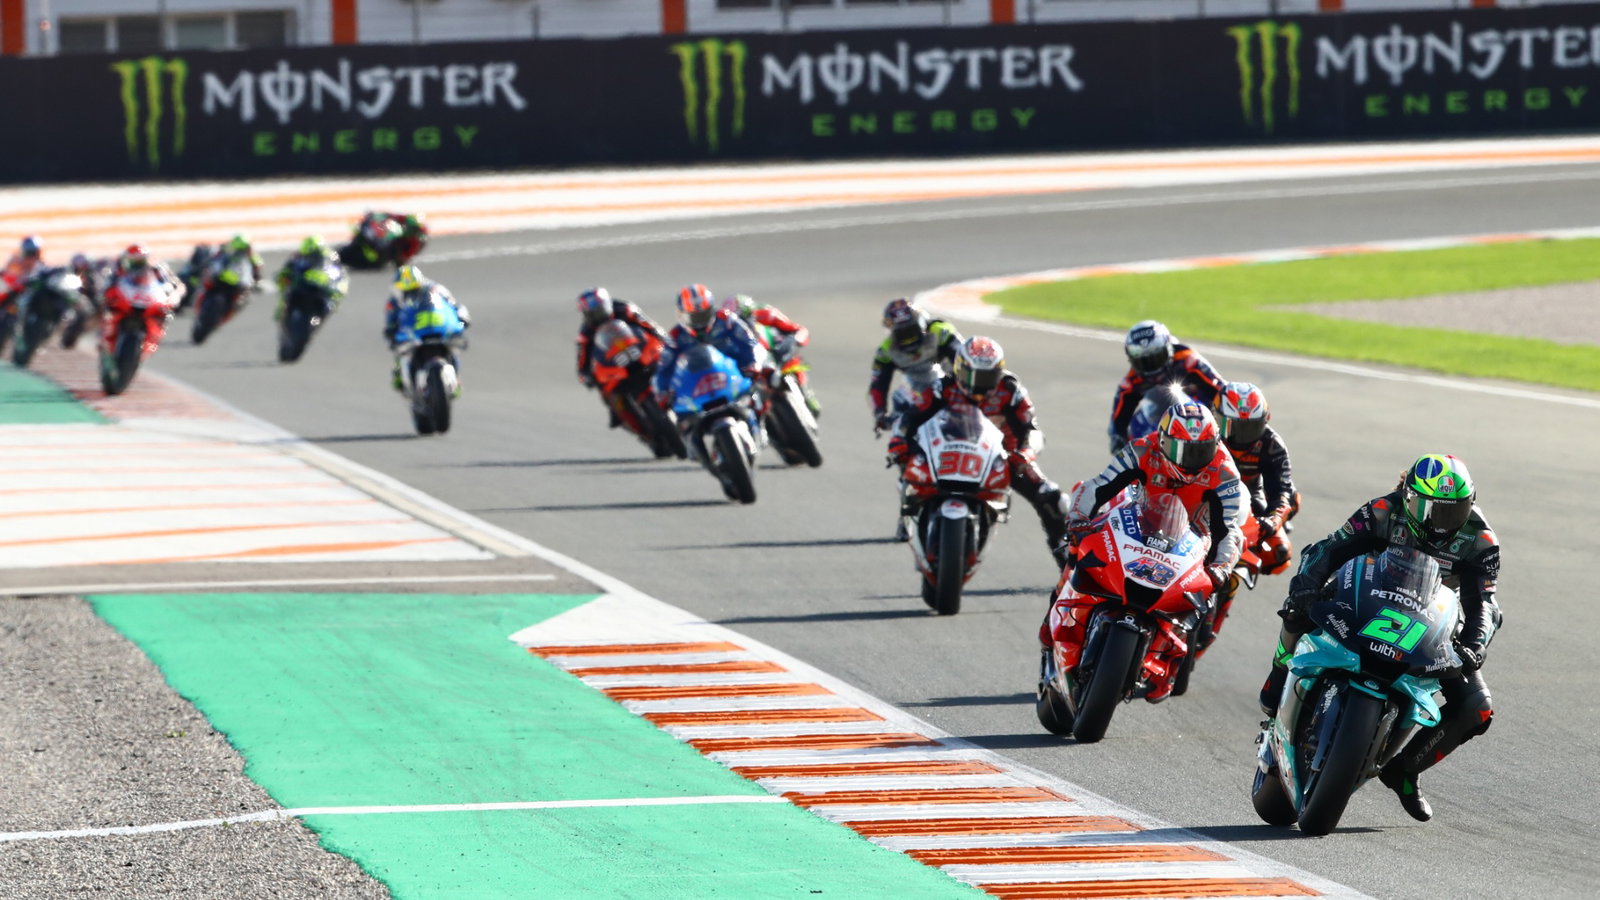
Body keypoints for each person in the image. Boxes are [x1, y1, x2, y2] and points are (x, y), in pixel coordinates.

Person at [1258, 454, 1499, 822]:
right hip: (1364, 597)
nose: (1446, 522)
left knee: (1477, 707)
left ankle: (1404, 770)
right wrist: (1305, 588)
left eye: (1457, 510)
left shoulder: (1479, 539)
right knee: (1297, 610)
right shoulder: (1384, 511)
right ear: (1412, 498)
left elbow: (1483, 603)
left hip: (1426, 621)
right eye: (1436, 510)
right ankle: (1278, 677)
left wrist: (1474, 645)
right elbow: (1329, 548)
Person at [1064, 401, 1247, 697]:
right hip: (1138, 520)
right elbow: (1099, 487)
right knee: (1080, 546)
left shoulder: (1225, 473)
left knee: (1205, 594)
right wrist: (1078, 518)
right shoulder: (1141, 450)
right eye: (1182, 450)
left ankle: (1171, 660)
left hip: (1191, 538)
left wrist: (1221, 567)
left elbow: (1228, 530)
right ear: (1162, 440)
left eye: (1201, 450)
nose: (1191, 460)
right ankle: (1063, 610)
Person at [890, 336, 1070, 566]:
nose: (978, 384)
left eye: (986, 376)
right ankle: (911, 519)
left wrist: (1026, 452)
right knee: (912, 475)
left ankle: (1067, 559)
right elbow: (911, 418)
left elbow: (1031, 428)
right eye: (971, 375)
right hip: (950, 453)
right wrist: (898, 442)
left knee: (1053, 499)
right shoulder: (942, 387)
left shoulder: (1010, 390)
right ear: (959, 369)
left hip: (1002, 458)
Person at [1210, 382, 1299, 636]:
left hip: (1248, 498)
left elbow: (1282, 492)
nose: (1242, 436)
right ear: (1217, 419)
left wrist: (1274, 518)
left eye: (1251, 427)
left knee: (1280, 554)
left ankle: (1232, 582)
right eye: (1235, 427)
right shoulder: (1207, 436)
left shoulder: (1272, 444)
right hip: (1204, 492)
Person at [1108, 320, 1227, 453]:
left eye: (1156, 357)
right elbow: (1117, 420)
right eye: (1142, 362)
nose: (1150, 367)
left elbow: (1222, 390)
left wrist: (1222, 420)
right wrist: (1118, 438)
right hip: (1162, 417)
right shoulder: (1132, 380)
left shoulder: (1188, 359)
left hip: (1200, 412)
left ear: (1168, 348)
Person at [868, 298, 963, 434]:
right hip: (915, 391)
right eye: (901, 333)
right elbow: (877, 384)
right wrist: (880, 413)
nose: (908, 338)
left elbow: (963, 357)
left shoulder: (940, 330)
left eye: (911, 329)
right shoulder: (886, 350)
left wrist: (965, 386)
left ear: (921, 322)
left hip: (951, 382)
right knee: (900, 417)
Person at [721, 293, 820, 416]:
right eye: (739, 323)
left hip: (779, 358)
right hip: (756, 374)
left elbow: (800, 330)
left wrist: (793, 341)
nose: (743, 327)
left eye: (746, 319)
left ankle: (804, 391)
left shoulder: (766, 314)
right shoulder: (727, 340)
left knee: (814, 408)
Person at [383, 265, 469, 390]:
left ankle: (456, 380)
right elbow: (391, 321)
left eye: (413, 289)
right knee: (399, 350)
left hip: (439, 327)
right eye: (406, 290)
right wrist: (391, 331)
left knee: (454, 346)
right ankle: (400, 377)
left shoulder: (436, 290)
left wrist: (462, 317)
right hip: (412, 333)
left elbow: (454, 305)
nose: (409, 293)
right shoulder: (394, 301)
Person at [101, 244, 185, 353]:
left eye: (140, 261)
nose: (137, 264)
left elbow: (176, 284)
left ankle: (151, 342)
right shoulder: (118, 269)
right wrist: (107, 294)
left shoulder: (157, 269)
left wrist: (174, 296)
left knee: (166, 316)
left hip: (149, 299)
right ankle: (105, 341)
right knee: (108, 313)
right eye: (133, 261)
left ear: (147, 260)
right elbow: (106, 284)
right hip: (126, 300)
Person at [273, 236, 347, 321]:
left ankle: (331, 303)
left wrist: (331, 282)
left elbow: (338, 272)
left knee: (333, 296)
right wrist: (284, 276)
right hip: (302, 283)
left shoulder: (328, 256)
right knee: (286, 295)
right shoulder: (297, 256)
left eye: (313, 255)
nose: (310, 257)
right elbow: (286, 270)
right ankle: (282, 310)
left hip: (319, 285)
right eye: (308, 255)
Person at [354, 211, 428, 266]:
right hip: (390, 237)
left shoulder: (416, 239)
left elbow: (408, 253)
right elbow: (392, 216)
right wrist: (377, 216)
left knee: (382, 260)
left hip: (395, 250)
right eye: (409, 226)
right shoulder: (406, 219)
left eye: (413, 228)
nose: (410, 228)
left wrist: (401, 258)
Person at [1, 235, 47, 311]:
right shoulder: (15, 264)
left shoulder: (42, 268)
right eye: (28, 253)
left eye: (35, 253)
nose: (32, 257)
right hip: (13, 306)